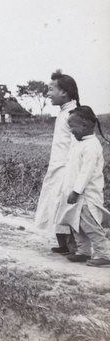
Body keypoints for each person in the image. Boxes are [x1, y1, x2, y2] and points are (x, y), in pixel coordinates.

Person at [54, 106, 110, 267]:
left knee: (90, 225)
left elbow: (86, 172)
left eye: (72, 126)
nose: (71, 130)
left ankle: (104, 254)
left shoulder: (92, 146)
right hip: (74, 193)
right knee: (77, 224)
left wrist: (76, 191)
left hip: (86, 195)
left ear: (84, 125)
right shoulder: (78, 143)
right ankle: (83, 251)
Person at [34, 71, 80, 255]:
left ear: (65, 92)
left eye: (51, 89)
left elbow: (77, 146)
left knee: (66, 205)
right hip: (57, 166)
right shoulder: (63, 113)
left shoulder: (73, 114)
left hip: (68, 168)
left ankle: (74, 246)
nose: (48, 93)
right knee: (54, 202)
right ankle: (63, 244)